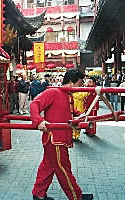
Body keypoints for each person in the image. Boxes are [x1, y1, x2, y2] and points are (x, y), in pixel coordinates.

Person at [30, 68, 93, 200]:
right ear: (71, 82)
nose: (81, 86)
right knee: (64, 169)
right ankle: (76, 196)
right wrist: (38, 121)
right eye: (80, 83)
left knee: (47, 167)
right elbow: (34, 104)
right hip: (55, 139)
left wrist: (78, 115)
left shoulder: (67, 95)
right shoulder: (53, 92)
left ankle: (38, 194)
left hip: (56, 139)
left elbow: (67, 111)